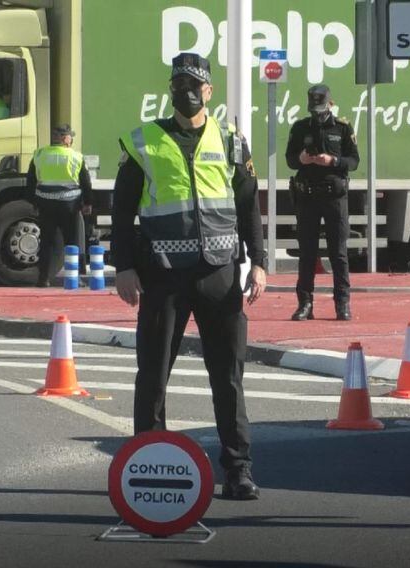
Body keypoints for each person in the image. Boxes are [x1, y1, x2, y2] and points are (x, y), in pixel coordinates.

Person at [112, 52, 267, 500]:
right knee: (153, 376)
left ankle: (237, 470)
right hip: (162, 277)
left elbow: (248, 207)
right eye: (179, 83)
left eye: (194, 84)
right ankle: (146, 466)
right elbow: (121, 212)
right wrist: (122, 266)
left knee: (228, 375)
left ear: (209, 91)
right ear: (170, 89)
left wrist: (258, 261)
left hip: (219, 274)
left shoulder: (232, 141)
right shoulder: (143, 141)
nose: (187, 91)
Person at [285, 84, 359, 321]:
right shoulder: (300, 128)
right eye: (313, 109)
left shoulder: (343, 128)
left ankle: (342, 303)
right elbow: (290, 159)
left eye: (320, 108)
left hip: (334, 197)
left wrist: (333, 161)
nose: (317, 113)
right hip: (307, 197)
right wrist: (302, 159)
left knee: (338, 253)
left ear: (330, 103)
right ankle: (305, 304)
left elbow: (354, 161)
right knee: (307, 253)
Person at [27, 124, 92, 287]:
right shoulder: (76, 156)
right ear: (65, 138)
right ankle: (73, 278)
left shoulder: (40, 154)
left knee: (47, 242)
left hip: (46, 204)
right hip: (69, 206)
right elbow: (85, 182)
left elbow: (30, 181)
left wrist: (33, 202)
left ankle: (43, 279)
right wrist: (88, 202)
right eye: (71, 136)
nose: (72, 139)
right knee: (72, 241)